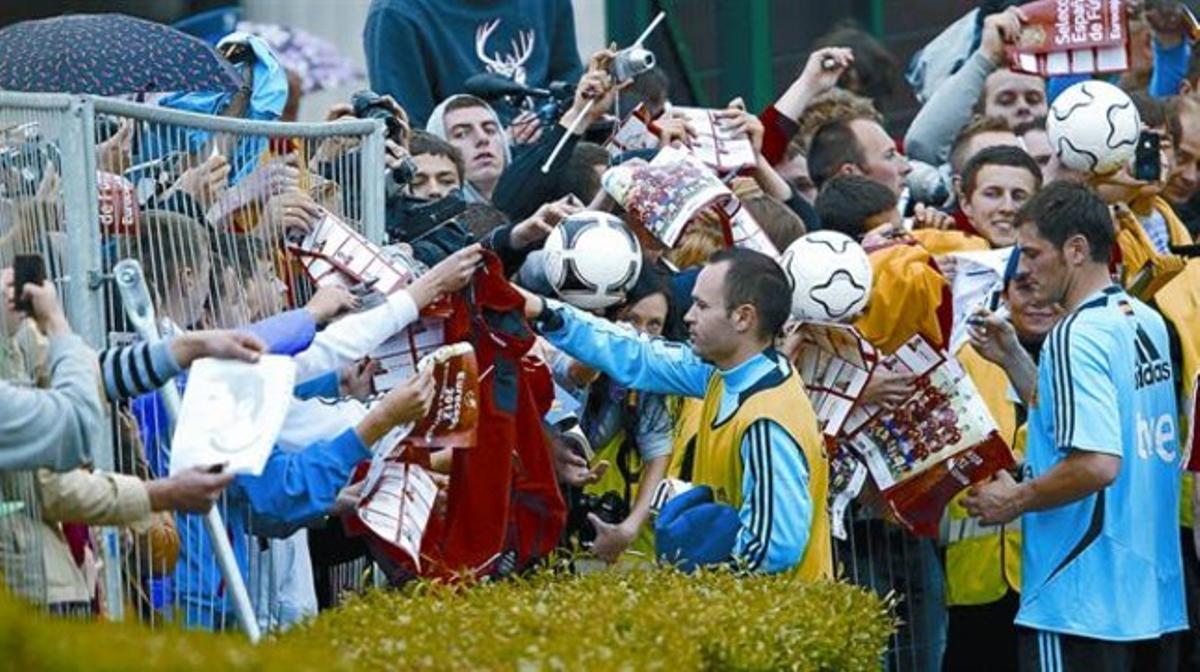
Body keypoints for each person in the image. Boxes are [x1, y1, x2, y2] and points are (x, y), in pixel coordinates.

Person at [964, 181, 1187, 670]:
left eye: (1032, 253)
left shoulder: (1073, 334)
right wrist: (1016, 363)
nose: (1022, 268)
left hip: (1081, 602)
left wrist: (1015, 499)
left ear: (1077, 250)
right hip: (1152, 601)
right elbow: (1100, 423)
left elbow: (1098, 464)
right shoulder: (1142, 318)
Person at [522, 248, 831, 577]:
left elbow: (773, 549)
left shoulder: (766, 421)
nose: (687, 317)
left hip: (777, 620)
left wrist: (699, 581)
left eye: (702, 306)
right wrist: (543, 310)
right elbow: (636, 353)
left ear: (743, 317)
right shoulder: (726, 372)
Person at [941, 271, 1061, 672]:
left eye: (1047, 285)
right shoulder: (970, 358)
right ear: (1004, 293)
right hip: (978, 581)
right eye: (1025, 287)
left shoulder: (1079, 355)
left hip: (1055, 578)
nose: (1039, 299)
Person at [363, 0, 583, 127]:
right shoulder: (396, 14)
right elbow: (412, 136)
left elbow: (568, 82)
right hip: (459, 187)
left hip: (554, 158)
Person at [958, 145, 1043, 247]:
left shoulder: (1060, 257)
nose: (1008, 208)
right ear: (966, 204)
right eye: (992, 195)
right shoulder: (937, 251)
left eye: (1019, 197)